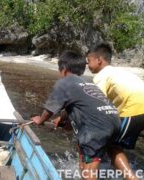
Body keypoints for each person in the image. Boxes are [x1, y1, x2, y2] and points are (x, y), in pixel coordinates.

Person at [31, 51, 136, 180]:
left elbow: (49, 110)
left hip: (96, 127)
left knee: (89, 171)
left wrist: (40, 120)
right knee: (89, 155)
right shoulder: (88, 82)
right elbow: (85, 107)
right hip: (114, 121)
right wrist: (66, 121)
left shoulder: (64, 82)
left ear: (63, 70)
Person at [87, 43, 144, 149]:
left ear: (98, 60)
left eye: (88, 61)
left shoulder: (101, 75)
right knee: (120, 144)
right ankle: (117, 164)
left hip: (135, 111)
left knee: (109, 145)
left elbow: (96, 102)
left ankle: (112, 165)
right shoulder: (120, 71)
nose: (87, 65)